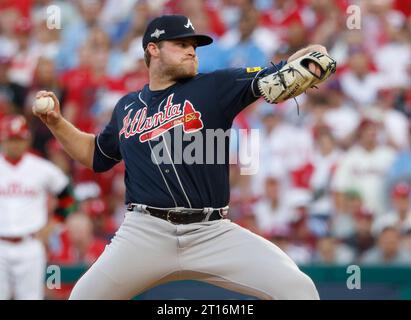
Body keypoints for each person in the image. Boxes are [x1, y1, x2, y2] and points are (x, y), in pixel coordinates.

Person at [33, 14, 333, 300]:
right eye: (181, 44)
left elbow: (283, 70)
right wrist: (57, 122)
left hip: (210, 231)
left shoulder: (215, 86)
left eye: (194, 46)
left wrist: (313, 55)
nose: (191, 51)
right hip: (144, 233)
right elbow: (96, 155)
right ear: (153, 49)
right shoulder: (127, 107)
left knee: (298, 288)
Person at [0, 114, 76, 300]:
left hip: (30, 243)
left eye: (19, 139)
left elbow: (68, 196)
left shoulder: (41, 168)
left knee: (31, 297)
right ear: (3, 139)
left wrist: (55, 223)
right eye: (11, 139)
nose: (15, 144)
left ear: (27, 140)